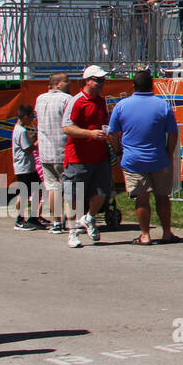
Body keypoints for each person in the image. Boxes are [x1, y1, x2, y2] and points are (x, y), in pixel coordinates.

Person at [106, 69, 179, 245]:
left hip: (133, 159)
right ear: (152, 85)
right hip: (159, 158)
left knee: (142, 197)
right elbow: (173, 133)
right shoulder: (162, 105)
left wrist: (118, 150)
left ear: (133, 86)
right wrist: (168, 154)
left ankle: (145, 234)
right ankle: (167, 232)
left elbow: (113, 132)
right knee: (162, 197)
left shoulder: (122, 106)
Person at [61, 65, 114, 249]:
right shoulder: (77, 101)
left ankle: (89, 217)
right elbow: (67, 127)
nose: (101, 84)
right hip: (78, 157)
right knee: (74, 196)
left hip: (99, 155)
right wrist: (89, 134)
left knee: (102, 192)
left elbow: (103, 123)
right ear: (87, 80)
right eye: (98, 80)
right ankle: (73, 232)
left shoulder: (100, 101)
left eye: (103, 80)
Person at [35, 73, 74, 233]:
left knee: (52, 187)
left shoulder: (39, 99)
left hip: (45, 150)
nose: (69, 83)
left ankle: (56, 222)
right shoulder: (67, 99)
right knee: (70, 186)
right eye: (66, 81)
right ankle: (74, 221)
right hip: (62, 149)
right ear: (57, 84)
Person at [11, 104, 42, 230]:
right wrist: (38, 141)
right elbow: (28, 149)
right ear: (24, 117)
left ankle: (33, 217)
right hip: (23, 167)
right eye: (31, 117)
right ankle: (19, 220)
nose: (32, 120)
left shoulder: (19, 129)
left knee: (38, 189)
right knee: (25, 193)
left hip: (28, 166)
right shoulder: (21, 130)